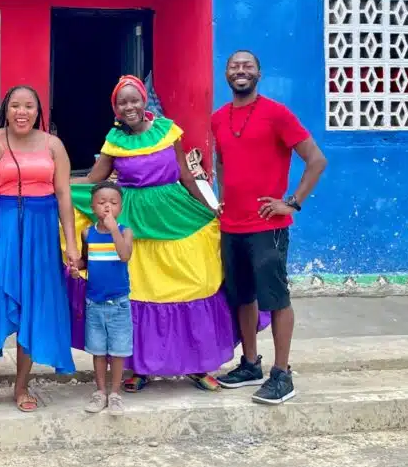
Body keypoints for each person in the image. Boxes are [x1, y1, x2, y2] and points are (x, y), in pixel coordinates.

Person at [71, 75, 267, 394]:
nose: (129, 106)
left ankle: (199, 365)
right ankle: (140, 368)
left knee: (192, 285)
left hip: (177, 215)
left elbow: (187, 176)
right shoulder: (114, 141)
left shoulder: (167, 130)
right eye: (123, 103)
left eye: (135, 99)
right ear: (115, 109)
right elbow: (95, 179)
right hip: (137, 223)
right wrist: (56, 186)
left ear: (145, 100)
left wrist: (212, 207)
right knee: (141, 294)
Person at [213, 50, 326, 405]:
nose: (240, 71)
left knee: (275, 298)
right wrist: (219, 197)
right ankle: (250, 364)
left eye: (247, 66)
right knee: (242, 297)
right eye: (234, 67)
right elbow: (220, 159)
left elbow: (316, 159)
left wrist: (292, 202)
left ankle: (282, 374)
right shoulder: (218, 118)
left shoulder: (277, 114)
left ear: (258, 74)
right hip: (231, 225)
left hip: (268, 226)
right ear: (226, 74)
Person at [0, 85, 79, 413]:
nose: (22, 112)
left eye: (29, 106)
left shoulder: (53, 144)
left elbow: (64, 197)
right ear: (6, 109)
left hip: (42, 232)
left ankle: (21, 385)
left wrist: (71, 243)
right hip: (3, 227)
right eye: (15, 105)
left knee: (35, 305)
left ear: (38, 111)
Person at [68, 181, 134, 416]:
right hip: (94, 302)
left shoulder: (125, 231)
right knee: (97, 350)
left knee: (117, 352)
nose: (107, 207)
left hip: (118, 303)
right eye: (102, 202)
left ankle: (115, 393)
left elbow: (124, 256)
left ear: (121, 207)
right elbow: (87, 260)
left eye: (113, 203)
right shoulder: (88, 233)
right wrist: (78, 267)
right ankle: (99, 391)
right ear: (92, 206)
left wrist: (114, 228)